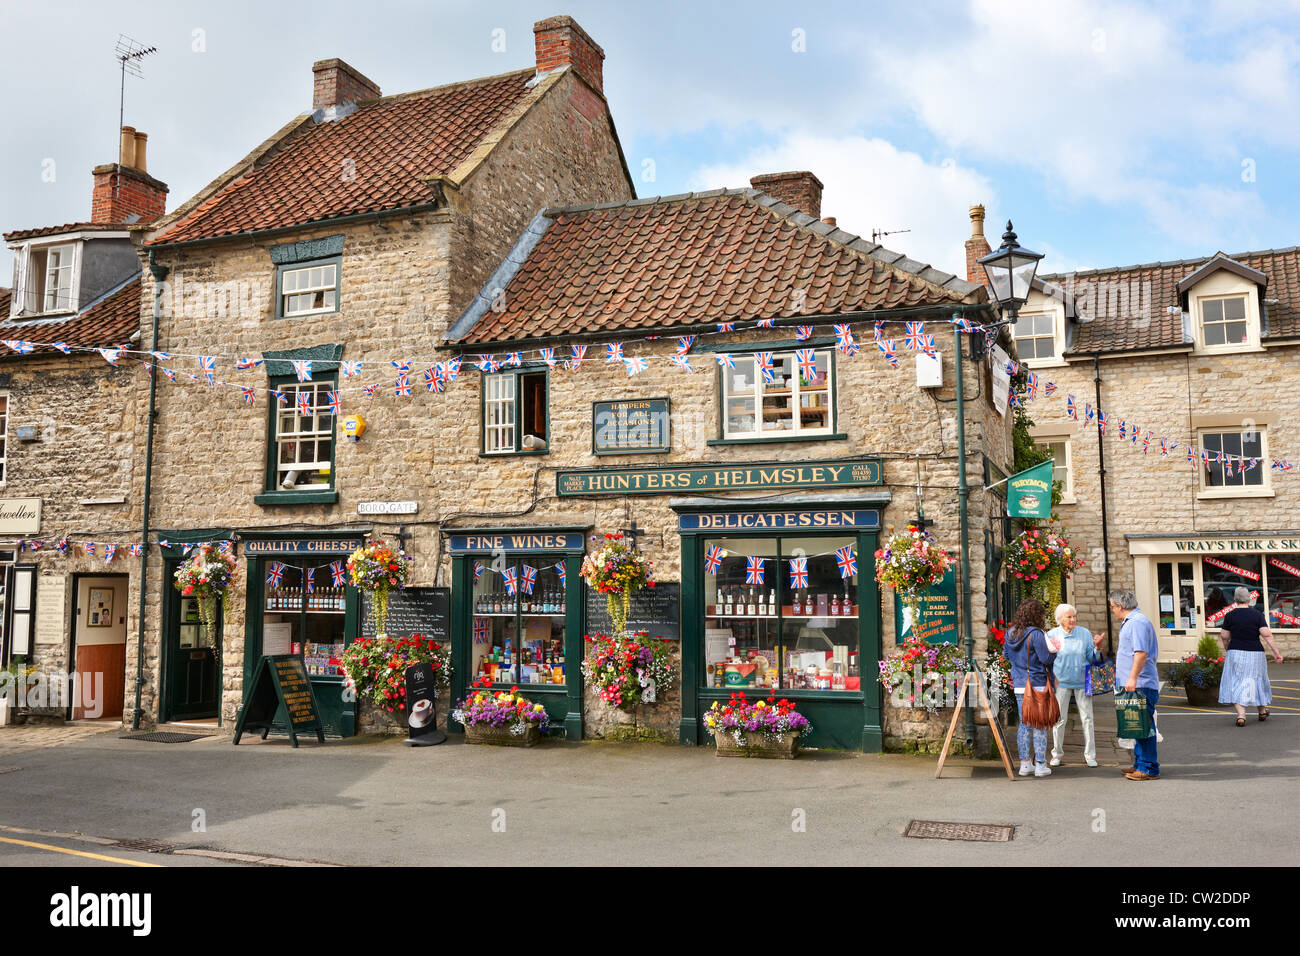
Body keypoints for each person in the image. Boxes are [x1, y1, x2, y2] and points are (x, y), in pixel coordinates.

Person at [1047, 603, 1106, 767]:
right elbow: (1048, 659)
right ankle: (1057, 754)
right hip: (1061, 681)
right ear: (1060, 619)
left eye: (1074, 616)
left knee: (1087, 718)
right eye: (1069, 617)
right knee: (1059, 719)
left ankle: (1090, 755)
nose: (1073, 619)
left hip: (1083, 680)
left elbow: (1092, 659)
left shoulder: (1084, 633)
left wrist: (1098, 648)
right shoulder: (1053, 634)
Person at [1110, 588, 1160, 780]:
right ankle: (1141, 764)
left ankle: (1148, 768)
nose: (1113, 610)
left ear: (1120, 606)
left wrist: (1132, 678)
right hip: (1136, 682)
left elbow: (1141, 653)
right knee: (1137, 725)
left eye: (1112, 606)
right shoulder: (1133, 621)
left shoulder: (1137, 623)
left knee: (1144, 726)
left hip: (1140, 683)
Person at [1003, 598, 1057, 777]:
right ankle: (1040, 765)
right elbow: (1045, 659)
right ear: (1037, 615)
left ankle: (1025, 764)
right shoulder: (1036, 634)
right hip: (1037, 684)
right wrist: (1055, 651)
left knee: (1024, 724)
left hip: (1019, 685)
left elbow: (1006, 655)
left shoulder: (1010, 633)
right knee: (1039, 725)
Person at [1219, 586, 1284, 726]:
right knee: (1258, 679)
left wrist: (1227, 648)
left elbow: (1224, 636)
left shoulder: (1230, 615)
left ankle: (1241, 715)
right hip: (1256, 652)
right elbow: (1267, 635)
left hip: (1235, 651)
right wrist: (1276, 653)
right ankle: (1262, 711)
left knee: (1236, 681)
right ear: (1249, 599)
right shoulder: (1257, 615)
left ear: (1235, 599)